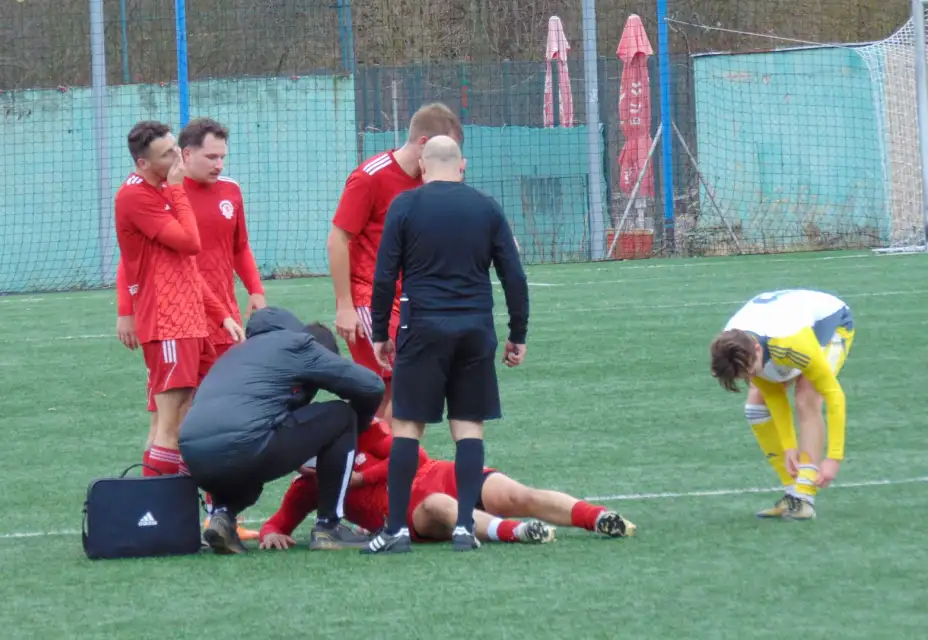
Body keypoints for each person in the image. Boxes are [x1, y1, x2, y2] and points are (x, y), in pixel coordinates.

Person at [363, 135, 529, 554]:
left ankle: (396, 530)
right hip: (475, 329)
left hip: (422, 329)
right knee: (468, 426)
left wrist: (380, 332)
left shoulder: (405, 206)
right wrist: (518, 333)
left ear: (421, 164)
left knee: (407, 427)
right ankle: (463, 529)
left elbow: (384, 277)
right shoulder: (487, 208)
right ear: (462, 165)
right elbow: (514, 275)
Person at [116, 117, 266, 539]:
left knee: (209, 418)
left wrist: (239, 300)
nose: (219, 164)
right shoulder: (153, 196)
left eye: (223, 156)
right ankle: (158, 517)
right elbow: (162, 252)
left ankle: (211, 514)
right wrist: (125, 309)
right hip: (170, 320)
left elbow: (236, 249)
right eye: (211, 156)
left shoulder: (224, 193)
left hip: (206, 318)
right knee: (169, 420)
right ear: (183, 154)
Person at [178, 309, 385, 554]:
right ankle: (328, 527)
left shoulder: (234, 354)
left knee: (244, 466)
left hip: (195, 457)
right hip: (248, 444)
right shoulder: (297, 344)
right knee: (342, 415)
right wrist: (357, 430)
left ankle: (223, 516)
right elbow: (372, 386)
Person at [258, 419, 636, 550]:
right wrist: (271, 534)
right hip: (411, 512)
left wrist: (361, 477)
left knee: (515, 494)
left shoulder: (361, 435)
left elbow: (416, 456)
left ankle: (597, 517)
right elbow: (277, 523)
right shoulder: (307, 486)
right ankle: (517, 533)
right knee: (441, 505)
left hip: (439, 472)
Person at [327, 103, 463, 421]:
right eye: (445, 152)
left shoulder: (432, 183)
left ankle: (362, 460)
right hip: (370, 298)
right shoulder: (369, 178)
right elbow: (338, 240)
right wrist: (344, 306)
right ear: (424, 144)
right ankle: (384, 462)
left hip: (410, 301)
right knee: (404, 384)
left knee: (386, 393)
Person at [709, 289, 855, 521]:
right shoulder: (734, 346)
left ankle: (805, 499)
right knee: (755, 406)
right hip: (783, 325)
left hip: (830, 324)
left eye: (749, 370)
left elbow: (834, 394)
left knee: (806, 397)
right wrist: (788, 446)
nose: (749, 376)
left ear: (756, 350)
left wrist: (833, 458)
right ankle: (791, 493)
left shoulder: (789, 341)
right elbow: (773, 394)